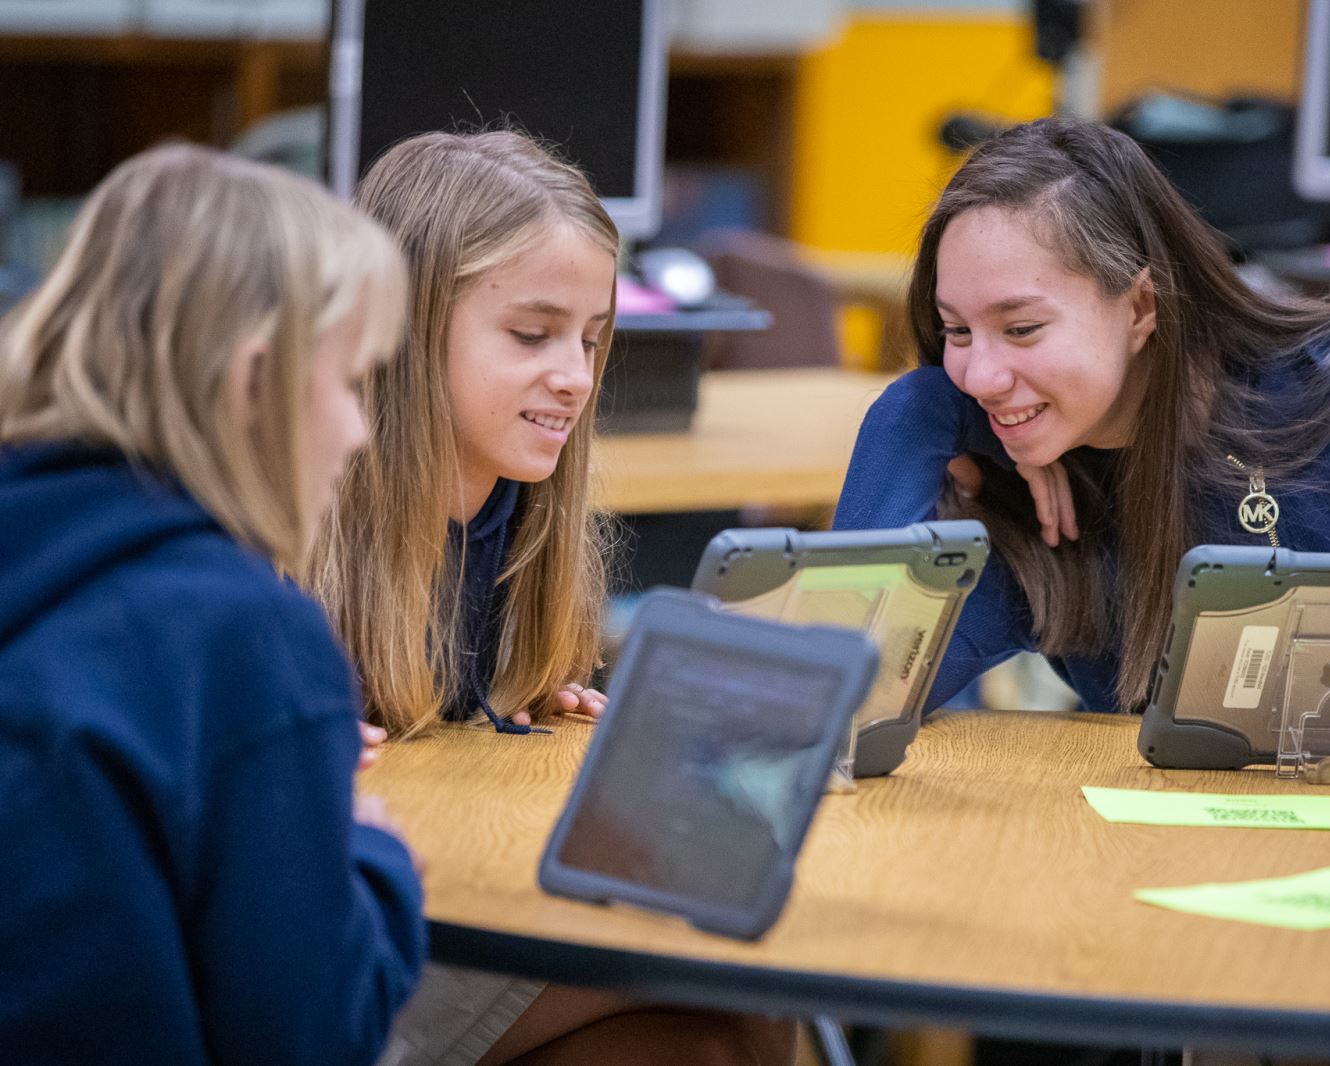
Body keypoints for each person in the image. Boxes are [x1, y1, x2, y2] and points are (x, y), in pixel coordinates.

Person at [834, 117, 1330, 776]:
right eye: (957, 331)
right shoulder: (1027, 494)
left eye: (1022, 328)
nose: (980, 372)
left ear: (1139, 305)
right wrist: (921, 407)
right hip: (1163, 892)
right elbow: (847, 702)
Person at [314, 129, 795, 1066]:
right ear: (402, 327)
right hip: (344, 958)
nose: (574, 377)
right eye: (532, 336)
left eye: (591, 338)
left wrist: (522, 706)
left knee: (714, 1036)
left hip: (457, 909)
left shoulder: (521, 522)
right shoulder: (299, 521)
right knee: (735, 968)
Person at [0, 143, 424, 1063]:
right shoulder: (245, 637)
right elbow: (312, 1041)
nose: (360, 432)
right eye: (352, 385)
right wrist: (374, 857)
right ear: (255, 384)